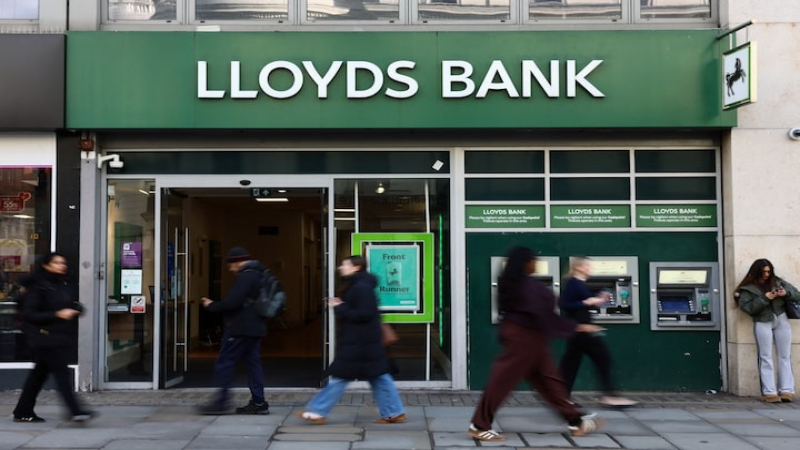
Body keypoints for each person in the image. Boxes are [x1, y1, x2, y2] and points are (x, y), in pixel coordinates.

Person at [468, 246, 603, 442]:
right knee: (502, 380)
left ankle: (575, 420)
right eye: (533, 260)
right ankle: (479, 425)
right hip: (524, 339)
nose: (536, 264)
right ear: (525, 263)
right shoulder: (528, 287)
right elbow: (545, 315)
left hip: (529, 338)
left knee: (549, 381)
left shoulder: (514, 284)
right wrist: (576, 326)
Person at [296, 255, 406, 425]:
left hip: (360, 343)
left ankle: (317, 411)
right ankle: (394, 412)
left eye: (345, 264)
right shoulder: (359, 285)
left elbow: (363, 314)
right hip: (364, 342)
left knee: (341, 376)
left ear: (356, 267)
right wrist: (341, 303)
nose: (341, 267)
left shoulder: (361, 287)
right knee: (379, 377)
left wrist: (339, 306)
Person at [13, 252, 95, 423]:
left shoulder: (63, 283)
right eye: (56, 262)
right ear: (46, 265)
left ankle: (22, 410)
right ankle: (75, 411)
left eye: (63, 262)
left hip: (59, 336)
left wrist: (77, 309)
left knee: (38, 376)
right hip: (45, 337)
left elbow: (70, 304)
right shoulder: (38, 287)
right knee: (62, 374)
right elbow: (29, 314)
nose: (61, 265)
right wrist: (57, 314)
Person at [197, 246, 270, 415]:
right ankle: (259, 401)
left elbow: (232, 302)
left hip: (240, 328)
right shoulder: (260, 275)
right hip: (256, 327)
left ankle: (221, 402)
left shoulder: (246, 277)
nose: (230, 269)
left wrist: (212, 305)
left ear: (238, 262)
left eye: (230, 264)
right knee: (253, 364)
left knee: (225, 362)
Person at [558, 257, 637, 408]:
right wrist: (586, 302)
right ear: (578, 267)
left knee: (570, 363)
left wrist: (598, 300)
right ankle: (609, 395)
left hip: (579, 329)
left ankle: (561, 397)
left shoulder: (579, 283)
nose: (590, 268)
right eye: (587, 265)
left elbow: (578, 304)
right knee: (603, 358)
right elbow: (564, 304)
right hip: (581, 329)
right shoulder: (574, 282)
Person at [734, 258, 798, 403]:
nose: (766, 275)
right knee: (765, 356)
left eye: (768, 271)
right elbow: (747, 308)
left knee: (785, 355)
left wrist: (785, 293)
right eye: (763, 272)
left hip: (781, 318)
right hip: (762, 321)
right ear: (756, 272)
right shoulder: (747, 288)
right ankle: (769, 392)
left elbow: (797, 294)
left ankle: (786, 390)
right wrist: (765, 298)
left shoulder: (778, 282)